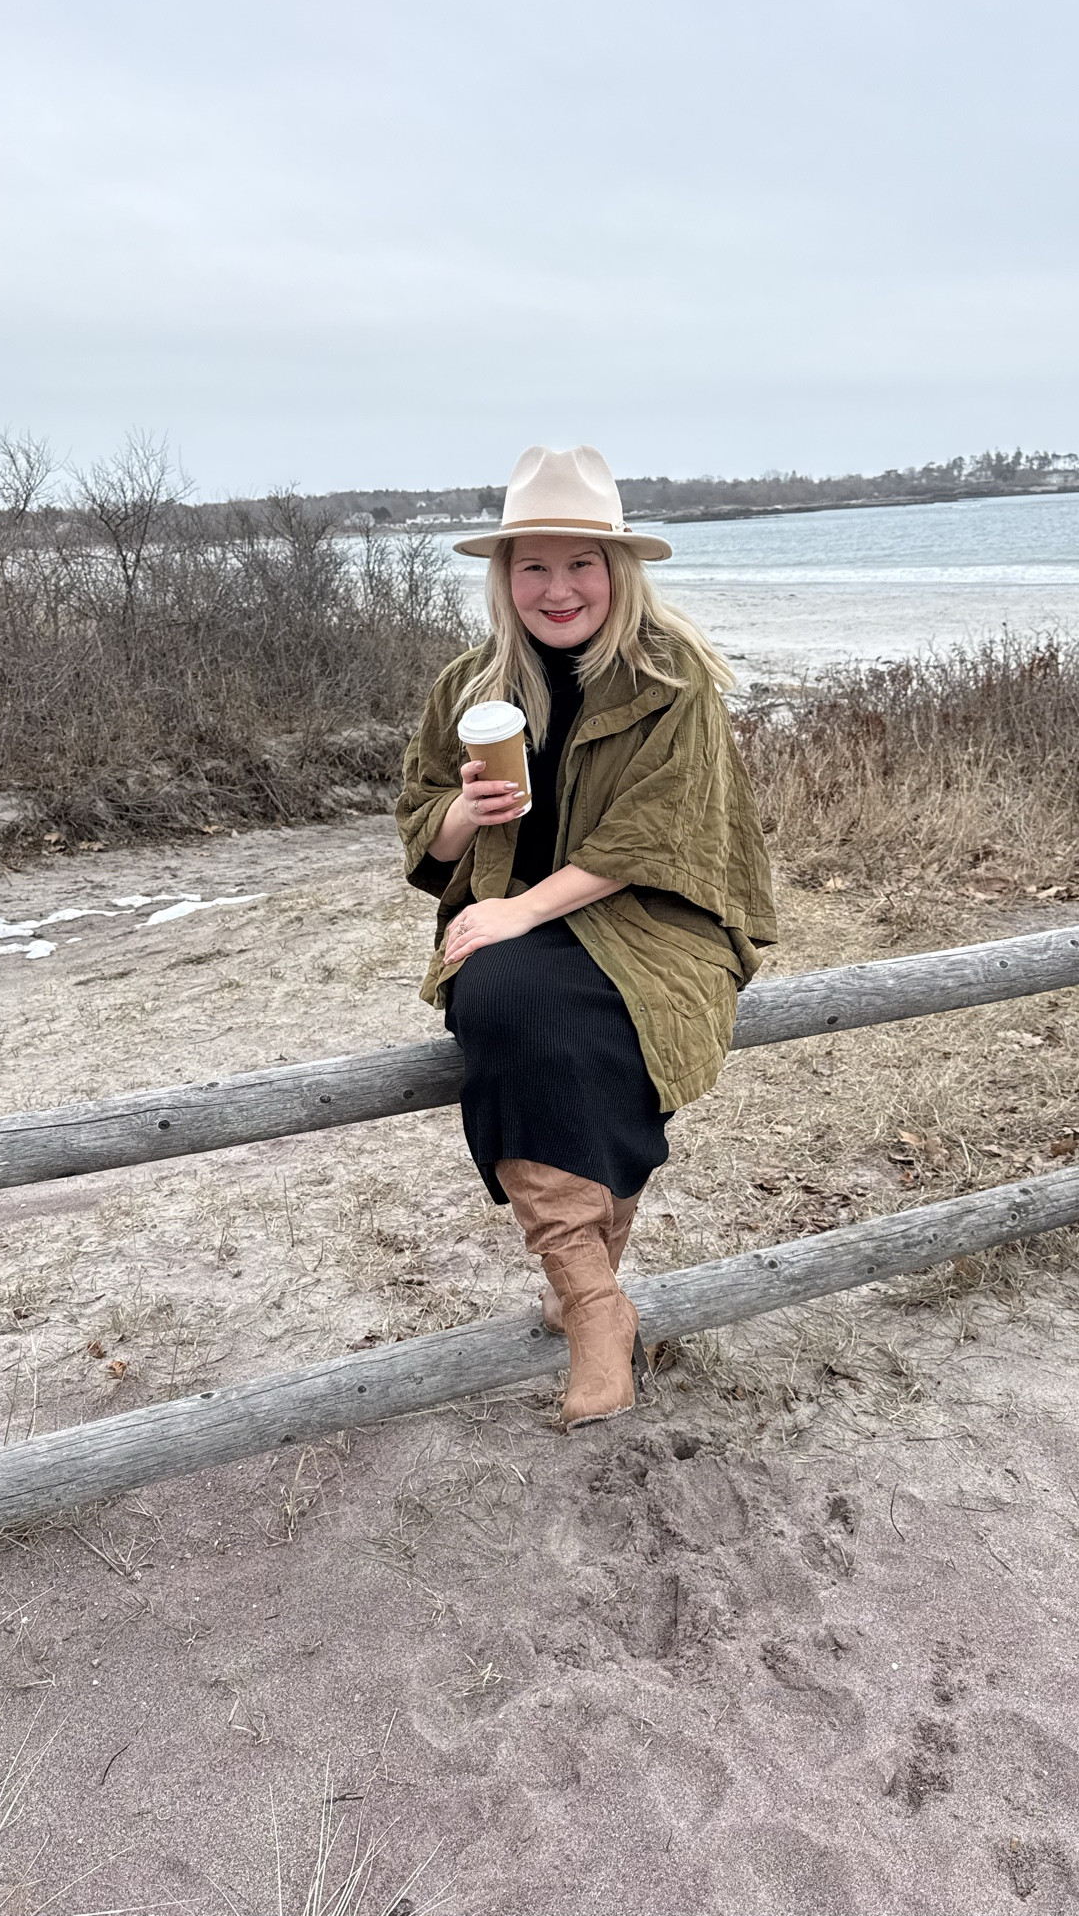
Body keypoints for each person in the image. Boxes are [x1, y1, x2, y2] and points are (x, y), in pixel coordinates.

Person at [396, 445, 777, 1428]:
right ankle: (596, 1299)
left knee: (598, 1022)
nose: (558, 588)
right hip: (517, 916)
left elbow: (658, 834)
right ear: (504, 575)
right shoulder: (467, 687)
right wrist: (471, 814)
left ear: (618, 569)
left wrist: (524, 909)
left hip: (653, 912)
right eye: (535, 565)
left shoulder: (670, 677)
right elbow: (420, 825)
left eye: (581, 563)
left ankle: (585, 1303)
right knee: (499, 993)